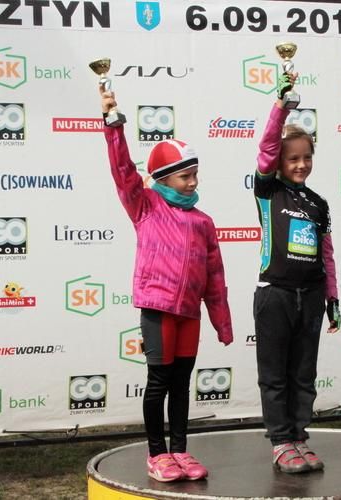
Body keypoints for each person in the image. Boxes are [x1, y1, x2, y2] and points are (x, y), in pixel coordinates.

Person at [100, 89, 233, 482]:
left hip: (189, 315)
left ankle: (180, 450)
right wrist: (113, 125)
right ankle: (157, 454)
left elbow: (215, 278)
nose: (193, 182)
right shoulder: (144, 206)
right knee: (159, 382)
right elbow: (123, 171)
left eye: (195, 175)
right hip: (158, 310)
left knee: (182, 384)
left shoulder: (203, 222)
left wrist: (222, 323)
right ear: (162, 178)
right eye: (185, 176)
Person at [253, 72, 341, 474]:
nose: (301, 164)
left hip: (312, 294)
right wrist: (281, 107)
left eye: (307, 157)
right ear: (279, 162)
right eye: (293, 159)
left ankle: (299, 436)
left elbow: (327, 253)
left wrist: (333, 298)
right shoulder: (268, 191)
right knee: (275, 375)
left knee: (304, 374)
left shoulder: (319, 203)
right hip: (276, 294)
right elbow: (267, 147)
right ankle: (280, 440)